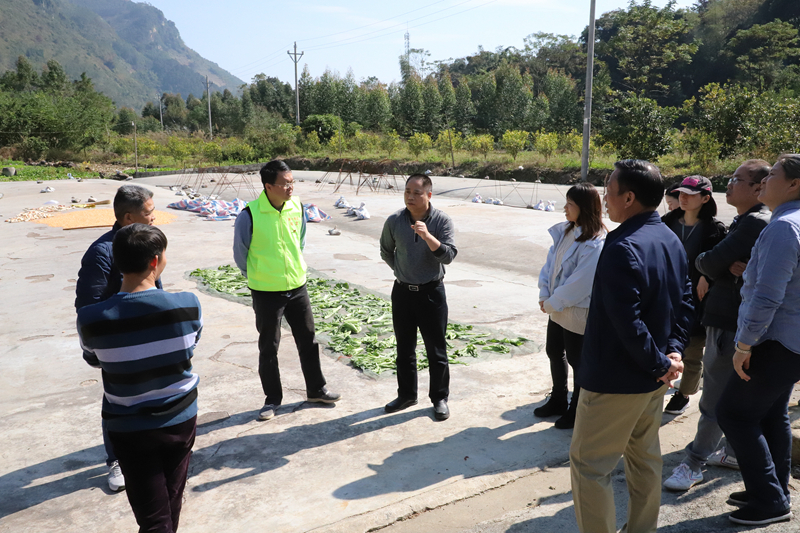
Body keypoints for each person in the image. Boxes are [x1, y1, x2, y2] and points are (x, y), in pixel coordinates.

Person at [569, 160, 693, 533]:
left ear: (629, 197)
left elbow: (627, 321)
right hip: (654, 379)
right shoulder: (669, 238)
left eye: (609, 191)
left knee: (590, 466)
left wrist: (661, 362)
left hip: (616, 380)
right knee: (644, 459)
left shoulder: (622, 245)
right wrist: (672, 353)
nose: (604, 198)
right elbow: (685, 301)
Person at [77, 223, 202, 533]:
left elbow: (94, 360)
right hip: (180, 419)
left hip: (129, 427)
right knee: (170, 500)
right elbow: (189, 347)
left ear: (118, 262)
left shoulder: (91, 319)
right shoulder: (188, 304)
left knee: (154, 515)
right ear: (155, 261)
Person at [663, 160, 770, 491]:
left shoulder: (753, 222)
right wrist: (723, 266)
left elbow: (706, 262)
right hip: (733, 318)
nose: (730, 183)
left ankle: (694, 462)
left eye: (737, 179)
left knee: (714, 397)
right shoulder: (745, 220)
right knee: (737, 396)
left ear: (759, 187)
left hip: (729, 322)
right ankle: (732, 452)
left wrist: (716, 267)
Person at [716, 154, 800, 526]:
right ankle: (772, 489)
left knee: (733, 413)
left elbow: (767, 296)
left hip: (773, 341)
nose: (765, 180)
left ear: (794, 184)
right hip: (791, 341)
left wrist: (744, 345)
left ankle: (770, 501)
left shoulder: (784, 227)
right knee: (770, 414)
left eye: (774, 174)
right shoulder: (791, 221)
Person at [233, 160, 339, 422]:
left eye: (292, 182)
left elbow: (299, 240)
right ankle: (272, 399)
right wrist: (258, 275)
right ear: (268, 186)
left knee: (308, 339)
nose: (290, 188)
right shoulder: (249, 215)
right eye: (285, 184)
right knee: (269, 346)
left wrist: (294, 267)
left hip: (297, 286)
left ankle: (316, 390)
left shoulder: (296, 206)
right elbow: (240, 254)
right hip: (266, 290)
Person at [74, 183, 159, 492]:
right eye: (148, 212)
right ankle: (117, 460)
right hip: (117, 343)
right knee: (118, 401)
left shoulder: (148, 242)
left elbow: (156, 288)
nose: (154, 217)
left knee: (151, 397)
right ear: (128, 218)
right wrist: (95, 351)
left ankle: (149, 450)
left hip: (148, 337)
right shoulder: (102, 253)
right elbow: (87, 308)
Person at [379, 174, 457, 421]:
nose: (410, 197)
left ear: (429, 195)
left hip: (431, 293)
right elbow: (386, 251)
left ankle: (439, 398)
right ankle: (406, 395)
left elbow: (448, 256)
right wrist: (402, 271)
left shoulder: (442, 220)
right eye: (407, 192)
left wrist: (427, 236)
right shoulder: (394, 221)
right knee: (404, 348)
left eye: (417, 193)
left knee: (436, 350)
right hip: (403, 293)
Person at [535, 183, 606, 429]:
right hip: (556, 307)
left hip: (575, 310)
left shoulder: (595, 241)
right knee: (554, 351)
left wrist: (553, 302)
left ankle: (577, 408)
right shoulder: (566, 231)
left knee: (577, 360)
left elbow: (581, 283)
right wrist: (545, 293)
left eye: (570, 204)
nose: (564, 208)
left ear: (584, 208)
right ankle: (558, 398)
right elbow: (549, 265)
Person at [661, 176, 726, 415]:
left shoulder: (715, 230)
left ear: (705, 198)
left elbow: (722, 261)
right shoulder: (667, 222)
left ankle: (684, 393)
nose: (683, 198)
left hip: (697, 299)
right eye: (681, 193)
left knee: (693, 350)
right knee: (662, 342)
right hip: (666, 294)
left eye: (690, 194)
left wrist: (706, 275)